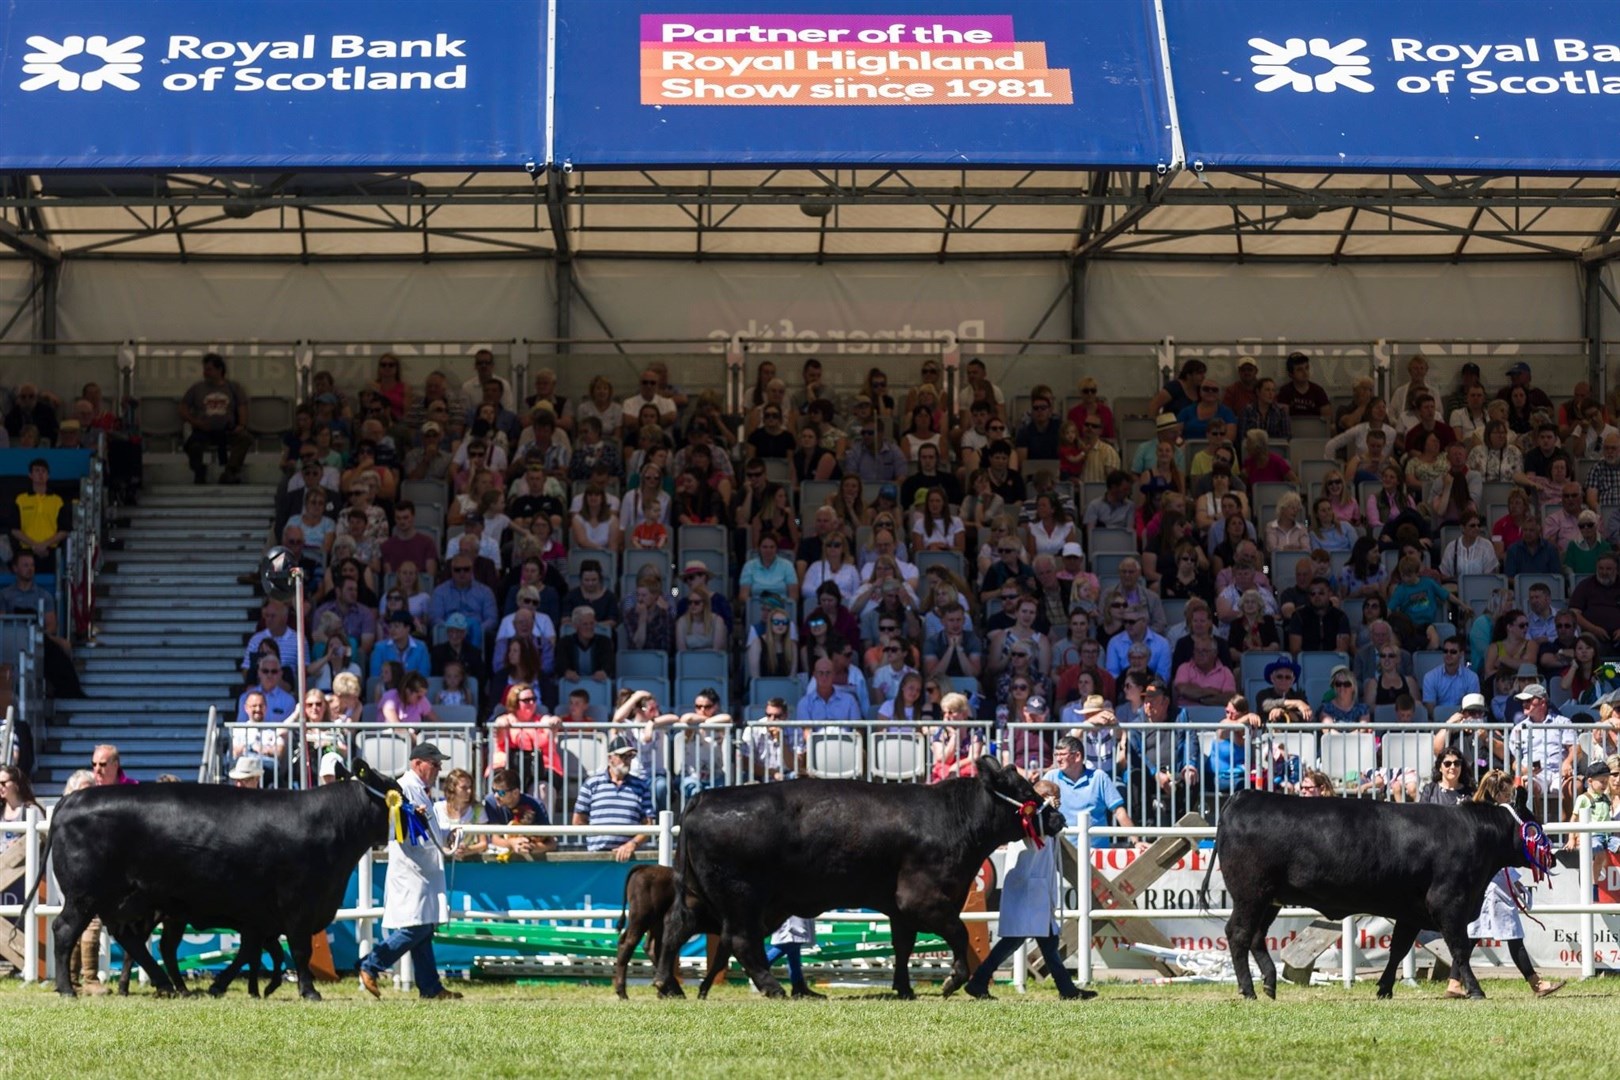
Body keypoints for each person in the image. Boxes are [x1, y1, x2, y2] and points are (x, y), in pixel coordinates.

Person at [962, 779, 1095, 1001]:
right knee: (1019, 941)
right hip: (1028, 890)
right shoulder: (1030, 820)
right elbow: (1045, 826)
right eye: (1055, 798)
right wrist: (1044, 806)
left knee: (1046, 942)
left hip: (1034, 891)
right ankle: (979, 981)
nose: (1059, 804)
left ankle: (1067, 990)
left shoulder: (1036, 820)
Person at [1442, 769, 1563, 1000]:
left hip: (1490, 882)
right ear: (1497, 793)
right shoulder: (1498, 818)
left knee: (1472, 934)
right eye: (1506, 792)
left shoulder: (1481, 815)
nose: (1510, 797)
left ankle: (1454, 982)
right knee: (1511, 932)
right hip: (1494, 884)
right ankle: (1536, 983)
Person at [358, 743, 462, 1001]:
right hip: (412, 868)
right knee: (415, 928)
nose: (438, 769)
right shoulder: (402, 789)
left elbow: (427, 828)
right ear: (418, 763)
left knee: (424, 928)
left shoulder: (421, 791)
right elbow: (399, 827)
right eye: (434, 763)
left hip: (423, 867)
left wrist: (447, 834)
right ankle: (370, 964)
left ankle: (431, 987)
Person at [1043, 734, 1138, 847]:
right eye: (1056, 755)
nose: (1058, 759)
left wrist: (1136, 842)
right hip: (1061, 854)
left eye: (1062, 754)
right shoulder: (1050, 777)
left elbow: (1119, 812)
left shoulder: (1099, 777)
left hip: (1096, 855)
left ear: (1077, 756)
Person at [573, 735, 655, 861]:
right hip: (596, 857)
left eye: (630, 756)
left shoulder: (641, 786)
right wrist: (598, 837)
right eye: (623, 756)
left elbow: (648, 825)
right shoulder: (591, 783)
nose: (627, 760)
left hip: (628, 857)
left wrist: (631, 844)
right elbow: (577, 822)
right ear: (610, 758)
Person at [180, 352, 251, 485]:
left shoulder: (233, 387)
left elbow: (242, 406)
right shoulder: (197, 388)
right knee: (193, 446)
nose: (205, 372)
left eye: (209, 369)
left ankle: (230, 472)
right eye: (205, 369)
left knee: (245, 438)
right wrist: (195, 422)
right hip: (203, 431)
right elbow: (183, 407)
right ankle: (199, 472)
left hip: (226, 431)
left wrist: (241, 425)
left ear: (219, 370)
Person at [483, 766, 557, 855]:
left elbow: (552, 842)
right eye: (494, 791)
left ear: (515, 793)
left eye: (501, 793)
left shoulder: (536, 805)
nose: (496, 796)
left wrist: (531, 848)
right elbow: (495, 839)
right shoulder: (491, 802)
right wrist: (512, 843)